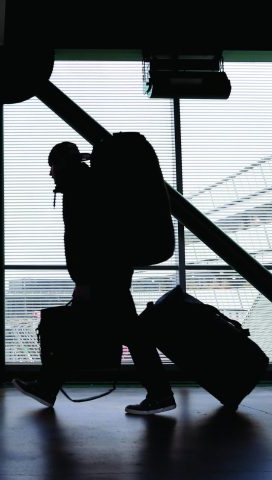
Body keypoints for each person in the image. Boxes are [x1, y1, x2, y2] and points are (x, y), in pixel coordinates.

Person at [12, 141, 176, 415]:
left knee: (127, 334)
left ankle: (160, 394)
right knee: (98, 331)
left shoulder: (82, 188)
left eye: (53, 165)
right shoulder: (86, 184)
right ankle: (47, 387)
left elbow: (93, 240)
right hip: (110, 275)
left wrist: (87, 282)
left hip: (103, 278)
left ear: (64, 163)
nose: (50, 173)